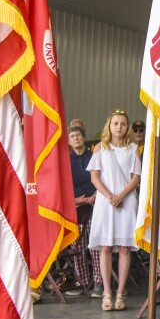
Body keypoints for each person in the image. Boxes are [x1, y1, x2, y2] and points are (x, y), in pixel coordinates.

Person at [88, 110, 141, 312]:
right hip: (105, 202)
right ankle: (107, 293)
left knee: (125, 248)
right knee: (106, 247)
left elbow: (136, 177)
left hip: (126, 201)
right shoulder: (100, 148)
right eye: (116, 123)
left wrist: (121, 196)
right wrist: (110, 196)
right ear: (109, 126)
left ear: (127, 127)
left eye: (123, 124)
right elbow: (94, 177)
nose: (119, 127)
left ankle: (120, 293)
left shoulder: (133, 149)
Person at [65, 125, 100, 297]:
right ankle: (81, 281)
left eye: (78, 135)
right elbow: (62, 186)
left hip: (94, 205)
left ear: (84, 138)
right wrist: (74, 200)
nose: (76, 138)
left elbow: (102, 179)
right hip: (75, 207)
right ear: (68, 141)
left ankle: (99, 282)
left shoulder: (93, 156)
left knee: (95, 244)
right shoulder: (66, 160)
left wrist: (94, 197)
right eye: (72, 136)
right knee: (77, 244)